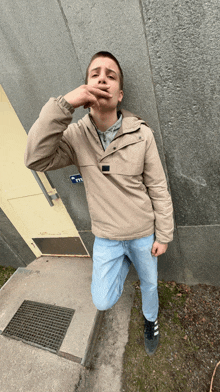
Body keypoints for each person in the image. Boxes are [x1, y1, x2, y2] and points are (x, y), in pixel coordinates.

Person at [24, 51, 174, 356]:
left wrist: (164, 234)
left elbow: (158, 186)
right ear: (86, 89)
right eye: (95, 74)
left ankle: (150, 319)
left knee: (149, 284)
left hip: (143, 232)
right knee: (102, 301)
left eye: (111, 74)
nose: (102, 77)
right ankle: (124, 260)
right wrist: (65, 104)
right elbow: (35, 157)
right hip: (107, 236)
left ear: (119, 94)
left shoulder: (142, 134)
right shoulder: (75, 137)